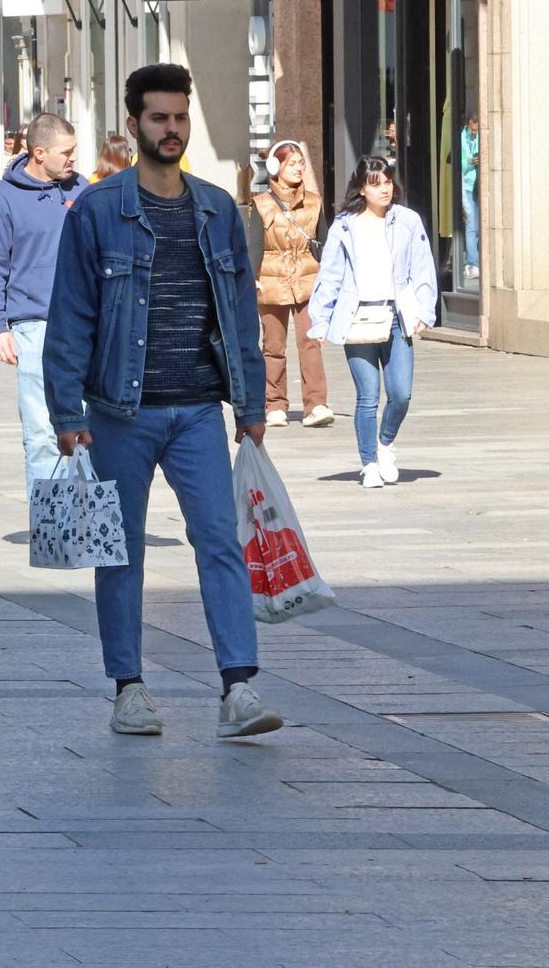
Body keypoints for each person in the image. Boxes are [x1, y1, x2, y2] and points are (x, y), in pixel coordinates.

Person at [44, 63, 279, 740]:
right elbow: (71, 316)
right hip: (120, 410)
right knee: (119, 550)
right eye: (159, 118)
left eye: (179, 118)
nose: (171, 130)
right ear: (134, 124)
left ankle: (238, 687)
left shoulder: (214, 209)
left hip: (200, 409)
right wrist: (67, 414)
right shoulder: (98, 209)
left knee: (220, 541)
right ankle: (129, 686)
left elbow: (239, 311)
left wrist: (251, 402)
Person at [307, 156, 438, 490]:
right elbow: (331, 275)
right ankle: (369, 464)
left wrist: (425, 309)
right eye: (376, 183)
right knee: (367, 396)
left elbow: (422, 267)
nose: (385, 189)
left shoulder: (407, 221)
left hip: (397, 318)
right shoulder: (345, 225)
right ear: (362, 188)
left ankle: (385, 443)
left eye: (388, 181)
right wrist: (319, 321)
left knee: (402, 394)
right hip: (358, 318)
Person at [0, 112, 84, 487]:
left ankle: (87, 523)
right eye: (65, 152)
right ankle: (49, 526)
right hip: (33, 328)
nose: (73, 158)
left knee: (89, 432)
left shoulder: (80, 190)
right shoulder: (5, 198)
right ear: (39, 153)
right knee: (42, 433)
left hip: (84, 327)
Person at [254, 141, 333, 429]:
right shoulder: (261, 204)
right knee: (273, 346)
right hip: (271, 281)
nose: (299, 168)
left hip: (307, 280)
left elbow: (323, 243)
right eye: (292, 163)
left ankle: (317, 405)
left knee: (310, 341)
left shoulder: (314, 202)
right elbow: (253, 244)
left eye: (301, 163)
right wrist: (252, 277)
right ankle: (275, 404)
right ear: (276, 168)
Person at [460, 114, 481, 280]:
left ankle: (477, 261)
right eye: (473, 130)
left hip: (479, 185)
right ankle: (473, 263)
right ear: (469, 124)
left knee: (480, 226)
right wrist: (471, 161)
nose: (475, 133)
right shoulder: (461, 138)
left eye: (477, 130)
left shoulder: (480, 135)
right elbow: (461, 165)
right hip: (467, 185)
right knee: (472, 225)